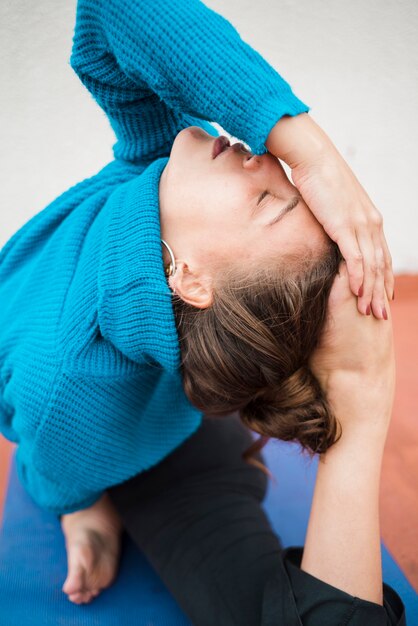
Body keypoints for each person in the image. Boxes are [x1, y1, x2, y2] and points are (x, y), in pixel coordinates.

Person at [0, 0, 404, 623]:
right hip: (144, 409)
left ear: (187, 278)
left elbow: (46, 460)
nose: (268, 160)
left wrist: (72, 502)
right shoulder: (155, 162)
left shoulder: (65, 378)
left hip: (176, 433)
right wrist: (315, 155)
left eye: (270, 201)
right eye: (288, 183)